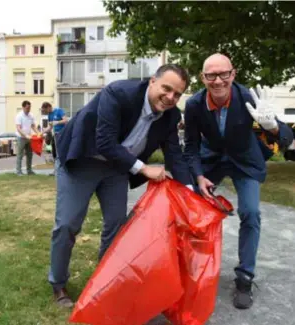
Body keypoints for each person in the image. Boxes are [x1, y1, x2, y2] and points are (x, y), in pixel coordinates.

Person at [49, 64, 194, 307]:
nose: (170, 98)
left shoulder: (171, 116)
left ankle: (103, 281)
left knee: (117, 226)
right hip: (84, 158)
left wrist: (190, 192)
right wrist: (144, 168)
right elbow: (104, 142)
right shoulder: (118, 93)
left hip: (117, 168)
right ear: (152, 82)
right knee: (67, 224)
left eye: (177, 94)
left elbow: (174, 155)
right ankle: (58, 284)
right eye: (166, 89)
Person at [184, 53, 293, 310]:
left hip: (244, 160)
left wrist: (272, 126)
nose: (218, 80)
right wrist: (198, 176)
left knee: (251, 213)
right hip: (210, 161)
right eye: (211, 75)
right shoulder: (194, 104)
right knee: (192, 212)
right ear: (203, 78)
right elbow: (191, 146)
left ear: (233, 74)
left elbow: (286, 138)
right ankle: (193, 271)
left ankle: (244, 277)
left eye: (224, 74)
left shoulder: (248, 98)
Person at [15, 100, 41, 175]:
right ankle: (18, 171)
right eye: (27, 108)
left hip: (29, 138)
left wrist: (38, 133)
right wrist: (25, 135)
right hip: (21, 137)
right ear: (23, 107)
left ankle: (29, 170)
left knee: (30, 154)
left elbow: (33, 126)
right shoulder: (19, 116)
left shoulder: (31, 115)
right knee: (20, 155)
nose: (28, 109)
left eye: (29, 108)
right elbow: (18, 128)